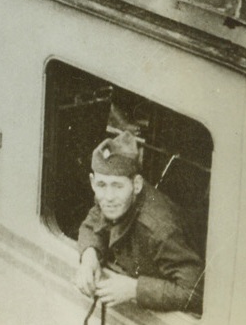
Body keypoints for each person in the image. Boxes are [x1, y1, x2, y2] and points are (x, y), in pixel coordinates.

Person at [74, 131, 204, 314]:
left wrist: (135, 289)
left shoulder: (160, 229)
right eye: (102, 185)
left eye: (118, 186)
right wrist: (89, 257)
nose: (108, 197)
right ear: (93, 183)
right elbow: (92, 222)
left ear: (136, 185)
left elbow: (195, 292)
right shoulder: (109, 200)